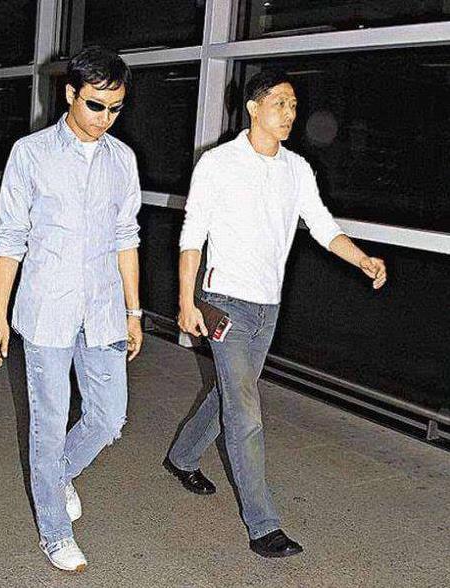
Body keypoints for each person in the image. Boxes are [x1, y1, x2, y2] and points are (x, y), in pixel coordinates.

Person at [164, 69, 387, 558]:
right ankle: (263, 526)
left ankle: (181, 457)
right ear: (253, 107)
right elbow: (192, 236)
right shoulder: (218, 164)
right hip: (225, 303)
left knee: (229, 392)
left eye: (294, 106)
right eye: (280, 103)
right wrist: (185, 301)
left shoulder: (296, 169)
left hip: (269, 306)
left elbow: (323, 226)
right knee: (245, 413)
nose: (290, 113)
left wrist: (362, 259)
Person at [0, 46, 143, 572]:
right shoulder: (30, 154)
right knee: (48, 425)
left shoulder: (122, 160)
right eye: (95, 105)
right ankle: (54, 532)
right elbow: (10, 240)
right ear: (71, 93)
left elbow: (126, 237)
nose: (105, 118)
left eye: (115, 108)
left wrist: (134, 312)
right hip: (46, 312)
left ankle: (58, 474)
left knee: (109, 418)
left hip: (103, 310)